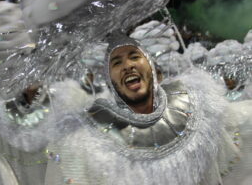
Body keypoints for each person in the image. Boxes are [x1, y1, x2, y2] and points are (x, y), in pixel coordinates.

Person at [43, 32, 244, 185]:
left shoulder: (196, 108)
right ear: (110, 80)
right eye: (117, 62)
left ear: (150, 67)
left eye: (134, 57)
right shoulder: (90, 138)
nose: (127, 66)